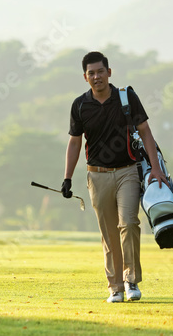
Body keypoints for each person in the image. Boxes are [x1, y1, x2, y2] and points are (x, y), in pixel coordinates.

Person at [63, 51, 166, 303]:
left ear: (109, 72)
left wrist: (156, 168)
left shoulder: (126, 97)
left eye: (100, 71)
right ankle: (115, 288)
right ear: (85, 77)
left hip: (127, 172)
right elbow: (75, 143)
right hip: (96, 176)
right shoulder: (79, 105)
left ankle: (131, 281)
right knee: (109, 234)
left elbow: (145, 131)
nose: (96, 76)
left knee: (129, 223)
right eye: (91, 73)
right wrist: (67, 178)